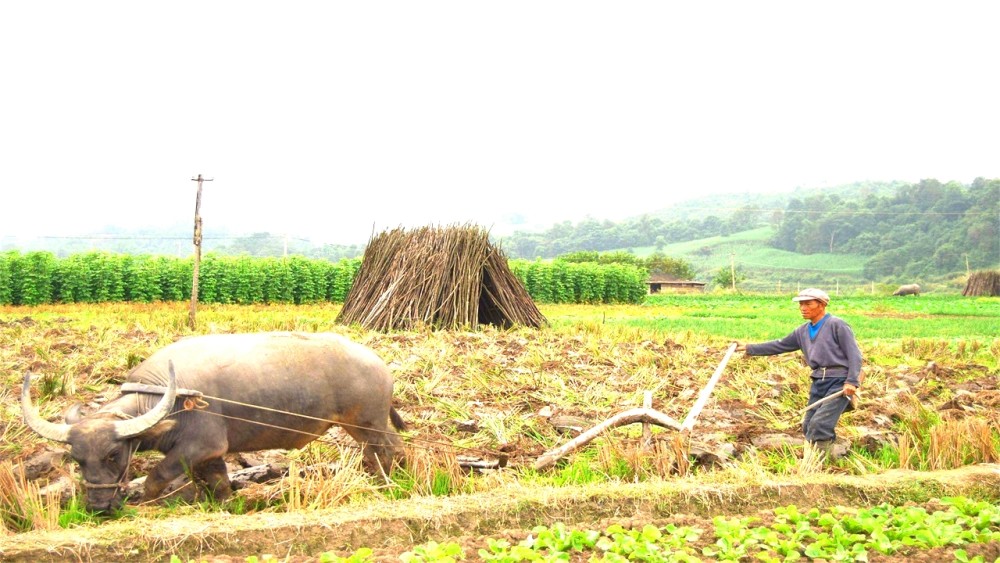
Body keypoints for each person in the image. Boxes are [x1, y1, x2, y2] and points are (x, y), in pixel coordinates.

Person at [734, 288, 862, 460]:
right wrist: (749, 347)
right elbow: (779, 345)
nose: (803, 308)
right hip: (818, 381)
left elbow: (854, 354)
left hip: (839, 380)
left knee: (820, 424)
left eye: (808, 304)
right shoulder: (802, 331)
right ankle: (831, 456)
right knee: (808, 425)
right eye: (801, 304)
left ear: (822, 305)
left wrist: (852, 381)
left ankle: (820, 465)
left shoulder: (837, 325)